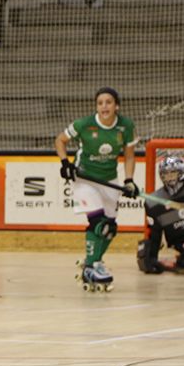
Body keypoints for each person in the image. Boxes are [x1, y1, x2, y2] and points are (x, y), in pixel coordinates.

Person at [55, 87, 137, 291]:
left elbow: (129, 156)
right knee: (99, 224)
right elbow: (60, 140)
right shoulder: (84, 124)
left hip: (109, 179)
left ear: (117, 106)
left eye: (108, 102)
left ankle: (94, 261)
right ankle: (90, 269)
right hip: (85, 179)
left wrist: (129, 180)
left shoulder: (126, 126)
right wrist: (65, 163)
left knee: (110, 229)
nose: (104, 106)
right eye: (100, 103)